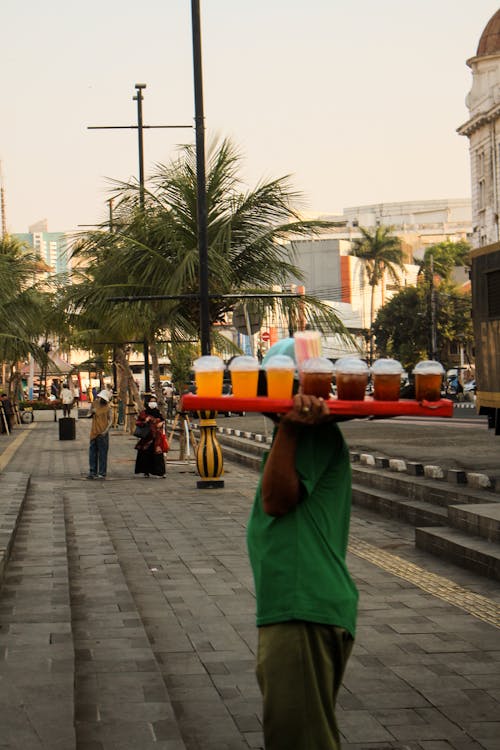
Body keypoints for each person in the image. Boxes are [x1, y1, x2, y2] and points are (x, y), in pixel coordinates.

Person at [246, 339, 358, 750]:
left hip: (303, 608)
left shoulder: (308, 434)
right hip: (296, 605)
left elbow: (277, 502)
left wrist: (292, 427)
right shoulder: (295, 436)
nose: (264, 396)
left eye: (273, 385)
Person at [134, 399, 168, 477]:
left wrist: (161, 423)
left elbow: (163, 420)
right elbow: (137, 422)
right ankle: (146, 472)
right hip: (146, 438)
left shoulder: (158, 412)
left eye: (154, 401)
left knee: (158, 455)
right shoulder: (144, 413)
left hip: (157, 438)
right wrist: (145, 421)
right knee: (145, 455)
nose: (153, 403)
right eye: (151, 401)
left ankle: (160, 472)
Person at [87, 389, 112, 480]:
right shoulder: (94, 404)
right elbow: (88, 415)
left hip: (103, 433)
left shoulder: (108, 407)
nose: (102, 400)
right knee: (92, 453)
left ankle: (102, 473)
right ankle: (92, 472)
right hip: (94, 432)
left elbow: (111, 420)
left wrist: (106, 431)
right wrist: (92, 413)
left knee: (103, 454)